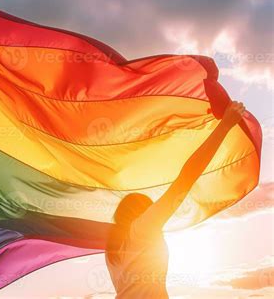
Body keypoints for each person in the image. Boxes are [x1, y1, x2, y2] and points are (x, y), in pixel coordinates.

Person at [105, 101, 246, 299]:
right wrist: (224, 127)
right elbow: (185, 180)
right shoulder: (143, 228)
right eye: (150, 208)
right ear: (143, 211)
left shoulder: (113, 250)